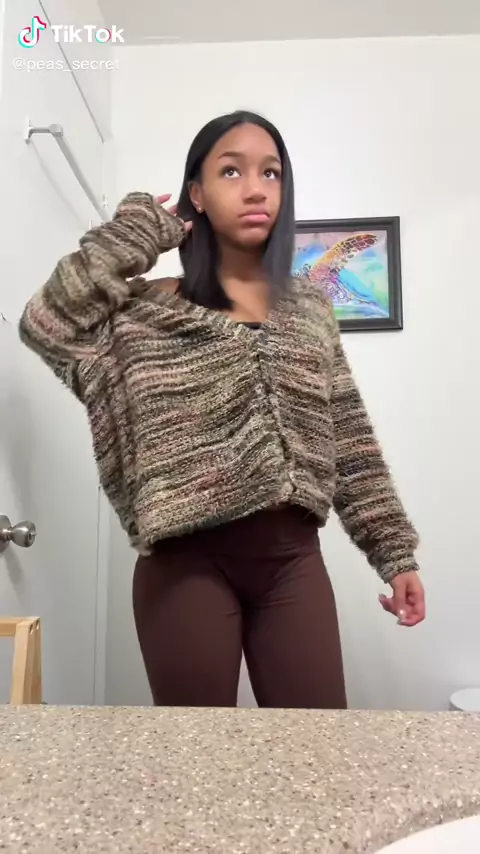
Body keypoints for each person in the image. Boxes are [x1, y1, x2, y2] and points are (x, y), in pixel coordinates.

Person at [19, 110, 425, 709]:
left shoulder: (309, 309)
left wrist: (394, 553)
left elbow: (347, 435)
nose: (256, 188)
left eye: (271, 172)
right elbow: (46, 321)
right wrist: (134, 235)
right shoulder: (141, 314)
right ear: (197, 194)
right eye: (231, 171)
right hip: (186, 564)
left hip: (293, 561)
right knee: (197, 750)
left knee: (316, 746)